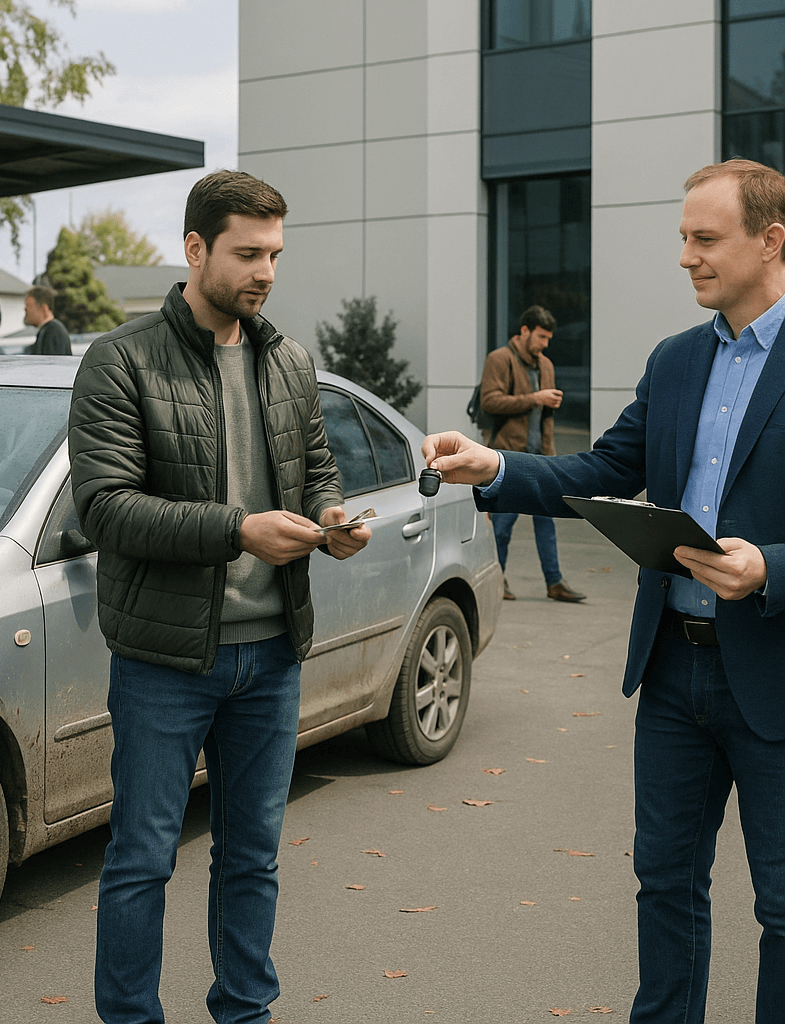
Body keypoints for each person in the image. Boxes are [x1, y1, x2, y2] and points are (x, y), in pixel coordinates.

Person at [423, 158, 785, 1024]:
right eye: (683, 240)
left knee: (783, 908)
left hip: (774, 678)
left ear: (771, 240)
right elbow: (603, 470)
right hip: (671, 674)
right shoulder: (673, 361)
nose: (687, 258)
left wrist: (770, 566)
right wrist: (497, 466)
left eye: (706, 239)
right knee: (663, 884)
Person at [68, 169, 371, 1024]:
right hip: (165, 660)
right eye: (247, 253)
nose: (266, 271)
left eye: (274, 252)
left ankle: (245, 1012)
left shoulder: (290, 359)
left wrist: (331, 515)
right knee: (142, 858)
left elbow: (315, 467)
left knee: (253, 859)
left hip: (272, 655)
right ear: (196, 249)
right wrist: (239, 529)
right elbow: (106, 508)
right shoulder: (120, 360)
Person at [480, 305, 585, 603]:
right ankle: (495, 580)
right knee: (502, 526)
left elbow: (545, 418)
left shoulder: (546, 365)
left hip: (541, 458)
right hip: (509, 457)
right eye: (540, 337)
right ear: (524, 331)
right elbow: (490, 402)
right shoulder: (499, 359)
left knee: (546, 523)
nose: (544, 344)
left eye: (548, 338)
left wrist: (551, 453)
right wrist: (534, 398)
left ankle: (555, 583)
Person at [23, 285, 72, 354]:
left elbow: (52, 363)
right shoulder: (47, 330)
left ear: (44, 308)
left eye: (28, 305)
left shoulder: (53, 331)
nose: (25, 309)